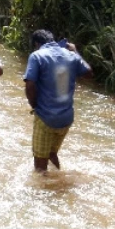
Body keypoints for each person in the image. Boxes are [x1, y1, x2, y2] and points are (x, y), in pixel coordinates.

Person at [23, 29, 92, 172]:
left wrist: (35, 105)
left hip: (46, 118)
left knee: (40, 167)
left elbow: (30, 84)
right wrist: (76, 52)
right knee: (51, 154)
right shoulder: (71, 55)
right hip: (66, 119)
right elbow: (89, 73)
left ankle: (43, 193)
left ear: (36, 44)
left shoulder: (36, 56)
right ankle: (59, 180)